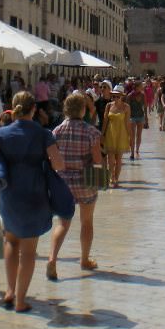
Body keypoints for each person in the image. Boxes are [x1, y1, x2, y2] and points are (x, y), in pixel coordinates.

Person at [0, 91, 65, 312]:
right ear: (34, 109)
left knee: (11, 242)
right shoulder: (43, 134)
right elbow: (58, 164)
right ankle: (20, 300)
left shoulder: (1, 133)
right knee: (28, 251)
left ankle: (10, 291)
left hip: (9, 194)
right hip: (35, 194)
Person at [47, 92, 105, 279]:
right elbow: (97, 160)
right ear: (83, 110)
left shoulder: (56, 132)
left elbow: (52, 158)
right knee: (86, 221)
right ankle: (85, 259)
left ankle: (52, 259)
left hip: (63, 181)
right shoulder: (91, 132)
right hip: (85, 180)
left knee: (63, 223)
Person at [102, 84, 131, 187]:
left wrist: (130, 137)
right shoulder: (108, 105)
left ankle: (116, 179)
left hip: (121, 134)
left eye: (117, 96)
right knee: (110, 160)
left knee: (118, 159)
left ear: (122, 96)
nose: (115, 98)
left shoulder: (126, 107)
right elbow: (105, 121)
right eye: (113, 96)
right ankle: (111, 178)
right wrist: (102, 134)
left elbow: (127, 123)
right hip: (110, 134)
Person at [126, 80, 148, 161]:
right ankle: (132, 153)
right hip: (132, 117)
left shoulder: (142, 95)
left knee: (139, 135)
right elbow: (127, 107)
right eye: (141, 86)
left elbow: (145, 106)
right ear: (137, 87)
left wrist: (146, 117)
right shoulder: (130, 96)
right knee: (132, 136)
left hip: (140, 116)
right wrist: (127, 118)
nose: (142, 87)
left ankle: (137, 150)